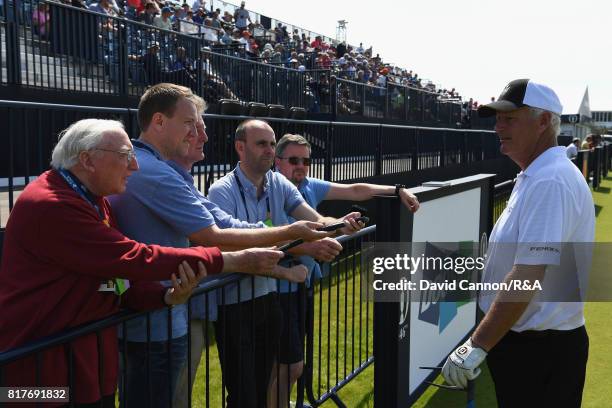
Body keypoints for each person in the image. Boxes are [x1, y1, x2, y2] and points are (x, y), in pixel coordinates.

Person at [0, 118, 286, 407]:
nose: (134, 166)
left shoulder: (94, 201)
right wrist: (231, 261)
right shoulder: (51, 205)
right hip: (35, 379)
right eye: (125, 156)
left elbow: (108, 283)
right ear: (87, 160)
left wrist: (161, 295)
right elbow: (134, 257)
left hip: (84, 369)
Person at [108, 84, 319, 407]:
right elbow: (214, 234)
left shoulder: (163, 170)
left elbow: (222, 224)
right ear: (159, 122)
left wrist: (290, 234)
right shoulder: (155, 173)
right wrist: (292, 234)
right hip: (152, 324)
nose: (198, 134)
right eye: (190, 123)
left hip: (163, 313)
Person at [442, 79, 594, 407]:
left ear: (543, 122)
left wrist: (477, 345)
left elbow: (527, 275)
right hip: (531, 345)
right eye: (497, 118)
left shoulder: (550, 179)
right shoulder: (538, 174)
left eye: (509, 118)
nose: (498, 127)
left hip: (539, 350)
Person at [208, 119, 363, 408]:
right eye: (261, 143)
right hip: (235, 306)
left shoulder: (277, 181)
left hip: (269, 299)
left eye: (271, 143)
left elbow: (314, 218)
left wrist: (339, 224)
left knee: (264, 384)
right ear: (240, 148)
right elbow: (229, 244)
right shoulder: (221, 190)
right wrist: (300, 248)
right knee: (243, 395)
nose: (269, 150)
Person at [272, 133, 420, 404]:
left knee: (287, 366)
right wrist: (320, 238)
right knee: (287, 367)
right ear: (277, 161)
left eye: (306, 160)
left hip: (299, 285)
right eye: (293, 160)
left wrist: (396, 190)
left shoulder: (306, 185)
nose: (301, 166)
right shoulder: (271, 187)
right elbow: (269, 237)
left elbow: (354, 190)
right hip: (275, 288)